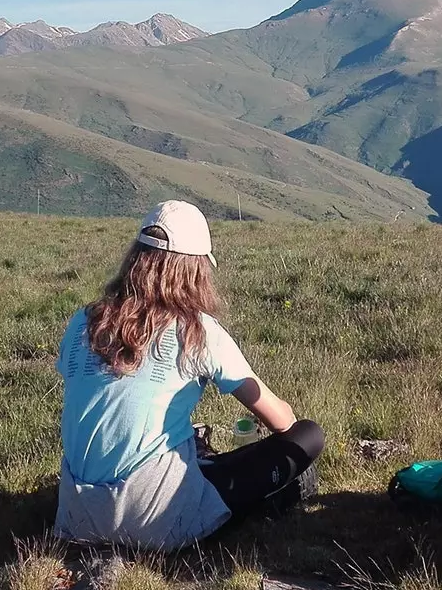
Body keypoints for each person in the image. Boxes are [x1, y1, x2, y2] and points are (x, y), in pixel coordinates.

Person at [54, 200, 325, 550]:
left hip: (76, 515)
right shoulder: (197, 331)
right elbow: (281, 420)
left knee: (191, 453)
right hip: (153, 522)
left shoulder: (83, 322)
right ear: (195, 269)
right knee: (308, 435)